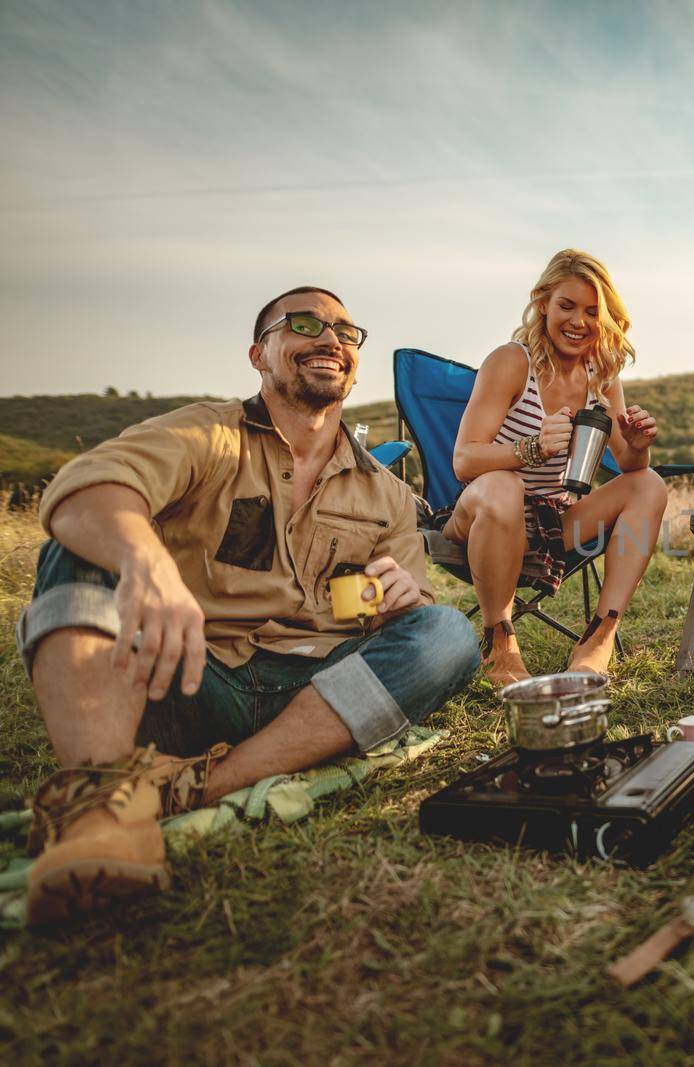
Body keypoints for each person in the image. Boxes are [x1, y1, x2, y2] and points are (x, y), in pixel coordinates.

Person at [15, 286, 479, 924]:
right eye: (306, 324)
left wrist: (404, 603)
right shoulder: (208, 433)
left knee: (447, 632)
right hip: (185, 677)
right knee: (78, 551)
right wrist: (146, 563)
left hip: (317, 697)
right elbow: (84, 490)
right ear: (261, 354)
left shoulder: (390, 494)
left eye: (346, 333)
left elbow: (418, 611)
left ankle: (193, 786)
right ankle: (100, 809)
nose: (330, 341)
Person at [445, 249, 666, 685]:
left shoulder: (600, 374)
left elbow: (626, 463)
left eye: (592, 312)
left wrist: (638, 446)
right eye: (567, 306)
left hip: (552, 523)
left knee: (649, 484)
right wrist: (532, 447)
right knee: (504, 487)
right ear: (543, 302)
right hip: (481, 515)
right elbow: (465, 459)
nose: (578, 322)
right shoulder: (512, 361)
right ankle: (499, 638)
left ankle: (600, 636)